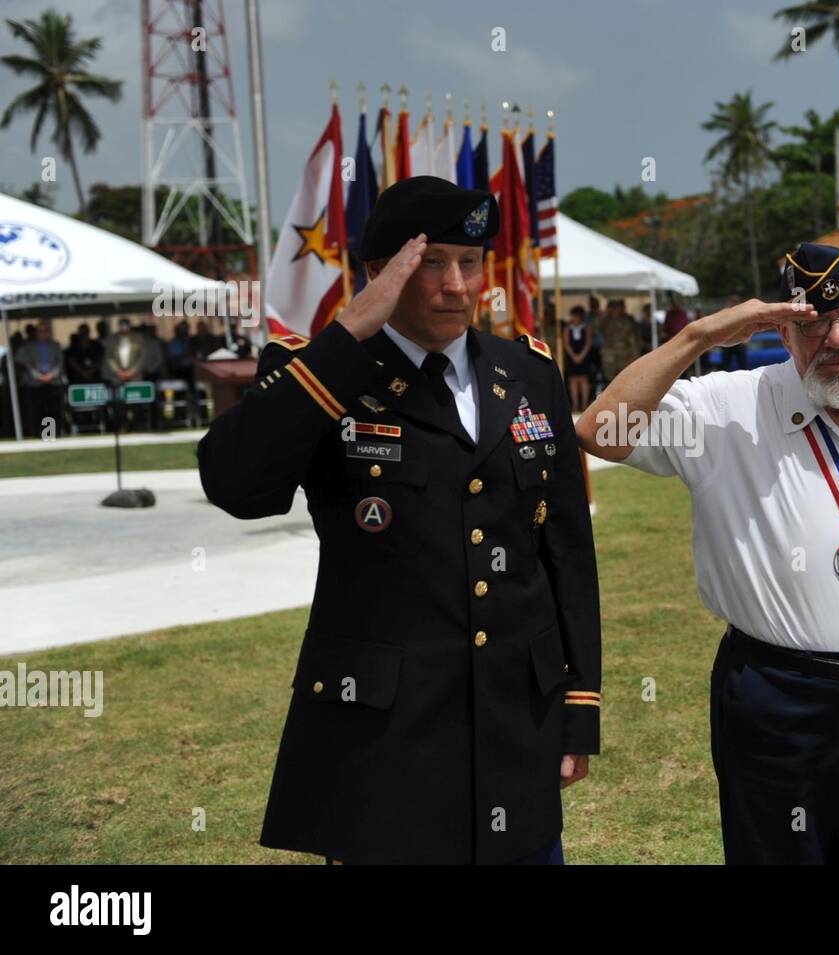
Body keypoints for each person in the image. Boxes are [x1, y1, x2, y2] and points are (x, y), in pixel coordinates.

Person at [198, 176, 601, 865]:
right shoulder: (325, 372)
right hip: (385, 743)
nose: (457, 285)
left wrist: (580, 702)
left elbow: (565, 547)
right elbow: (234, 482)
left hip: (515, 726)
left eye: (470, 262)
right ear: (379, 273)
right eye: (431, 263)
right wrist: (351, 330)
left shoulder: (527, 373)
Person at [578, 242, 839, 865]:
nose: (837, 338)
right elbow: (598, 430)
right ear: (781, 328)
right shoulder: (722, 409)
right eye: (812, 324)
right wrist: (701, 335)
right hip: (778, 701)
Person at [16, 320, 67, 437]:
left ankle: (53, 431)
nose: (42, 334)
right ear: (36, 333)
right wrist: (38, 376)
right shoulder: (28, 347)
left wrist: (51, 375)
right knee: (37, 409)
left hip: (53, 382)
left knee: (53, 408)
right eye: (40, 331)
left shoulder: (56, 345)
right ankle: (38, 432)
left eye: (45, 331)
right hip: (35, 383)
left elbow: (60, 362)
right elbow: (26, 364)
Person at [598, 298, 641, 386]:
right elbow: (596, 329)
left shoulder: (626, 321)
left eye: (617, 308)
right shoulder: (605, 321)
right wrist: (606, 314)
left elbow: (632, 340)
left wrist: (634, 356)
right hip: (609, 356)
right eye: (613, 308)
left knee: (624, 379)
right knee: (609, 380)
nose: (616, 311)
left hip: (624, 355)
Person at [561, 305, 593, 412]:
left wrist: (581, 355)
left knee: (584, 379)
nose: (574, 318)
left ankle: (584, 404)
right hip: (572, 356)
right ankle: (575, 405)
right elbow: (566, 343)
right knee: (573, 380)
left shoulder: (586, 327)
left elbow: (588, 342)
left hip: (584, 355)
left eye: (577, 316)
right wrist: (573, 356)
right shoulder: (567, 328)